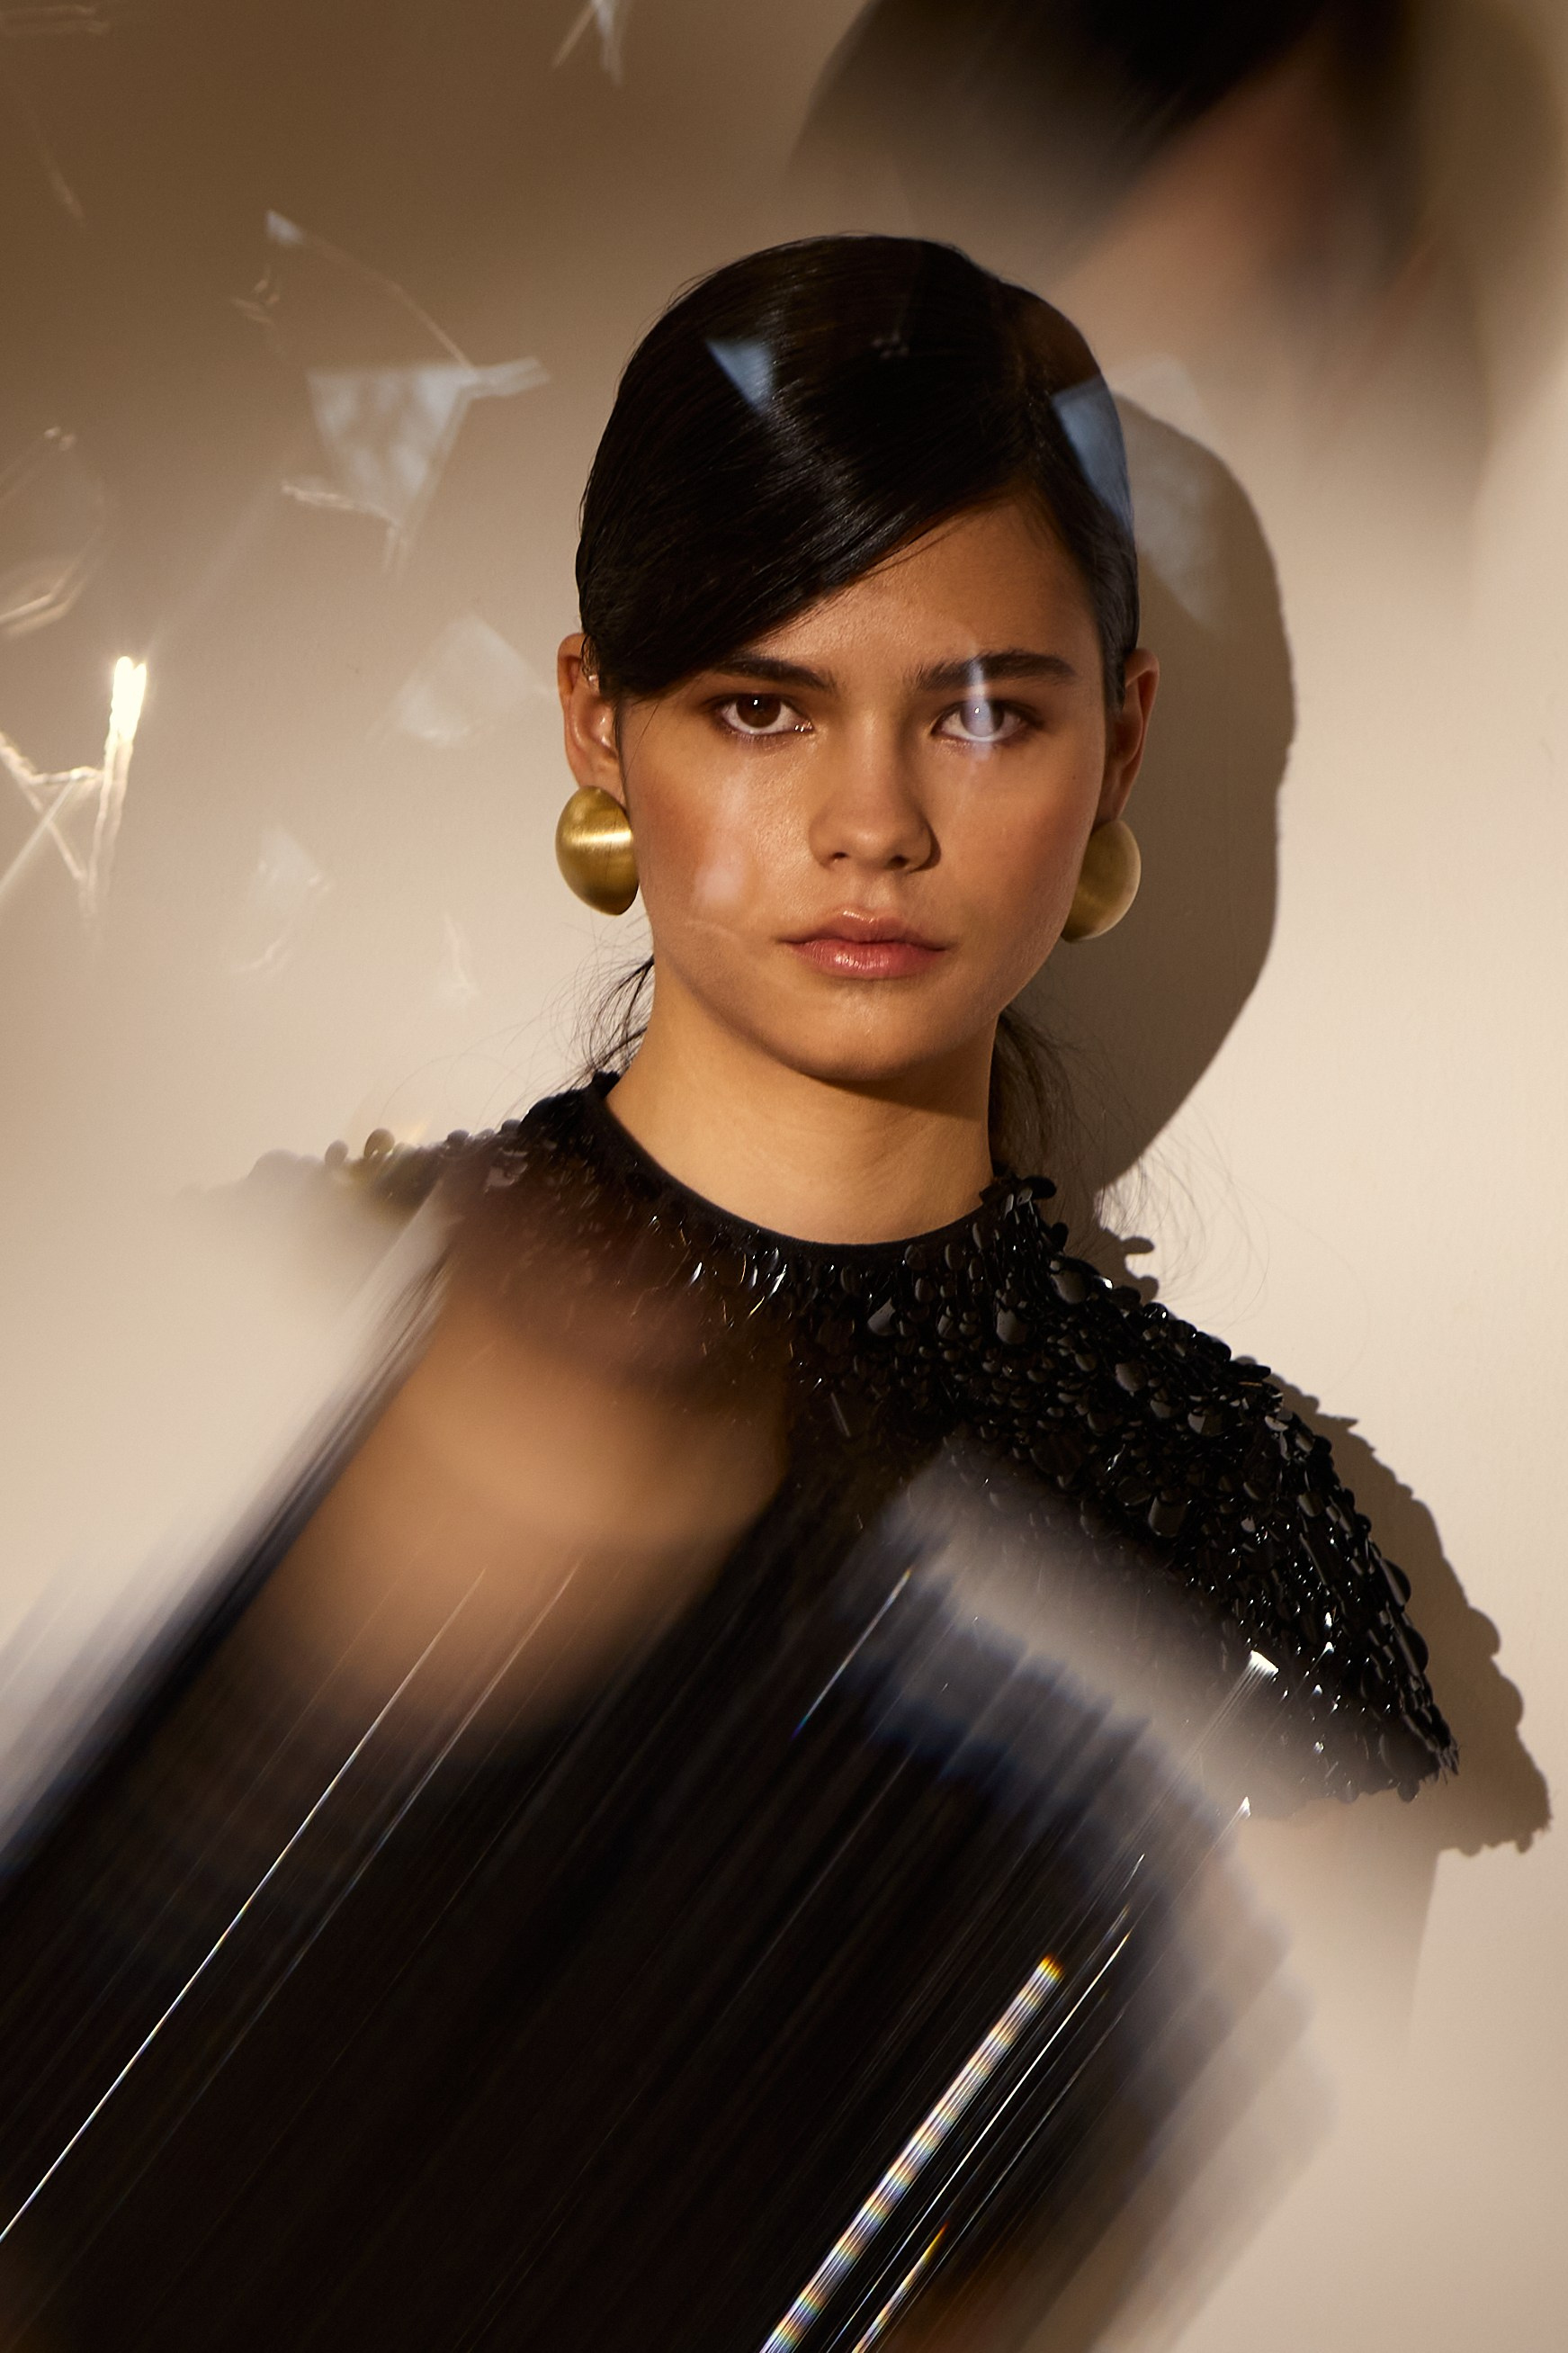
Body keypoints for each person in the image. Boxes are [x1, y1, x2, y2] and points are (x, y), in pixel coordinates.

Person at [0, 237, 1451, 2351]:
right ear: (596, 721)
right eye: (760, 706)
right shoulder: (268, 1296)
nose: (871, 825)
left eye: (981, 712)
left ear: (1118, 742)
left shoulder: (1242, 1570)